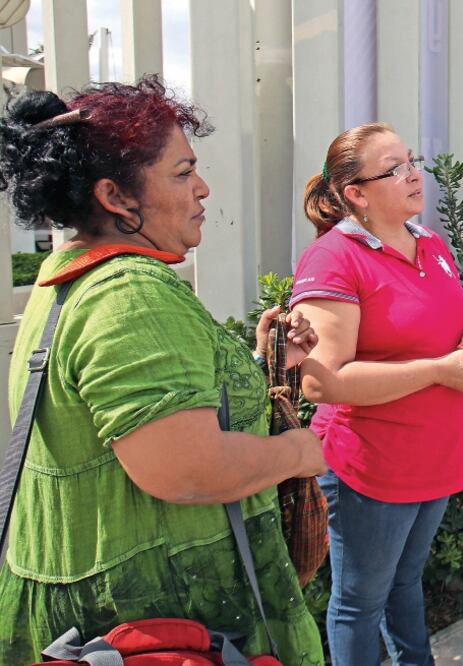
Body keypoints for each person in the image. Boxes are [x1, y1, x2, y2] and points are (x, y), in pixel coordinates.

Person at [0, 78, 328, 664]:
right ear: (116, 196)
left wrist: (257, 365)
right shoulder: (130, 294)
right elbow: (186, 467)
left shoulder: (67, 279)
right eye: (182, 173)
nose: (202, 188)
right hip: (154, 623)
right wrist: (301, 454)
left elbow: (157, 417)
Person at [290, 122, 463, 665]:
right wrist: (437, 371)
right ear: (355, 194)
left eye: (413, 162)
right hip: (370, 465)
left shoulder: (429, 243)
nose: (414, 176)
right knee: (360, 602)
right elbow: (321, 381)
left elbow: (453, 317)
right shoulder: (334, 259)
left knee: (406, 582)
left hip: (434, 453)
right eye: (395, 169)